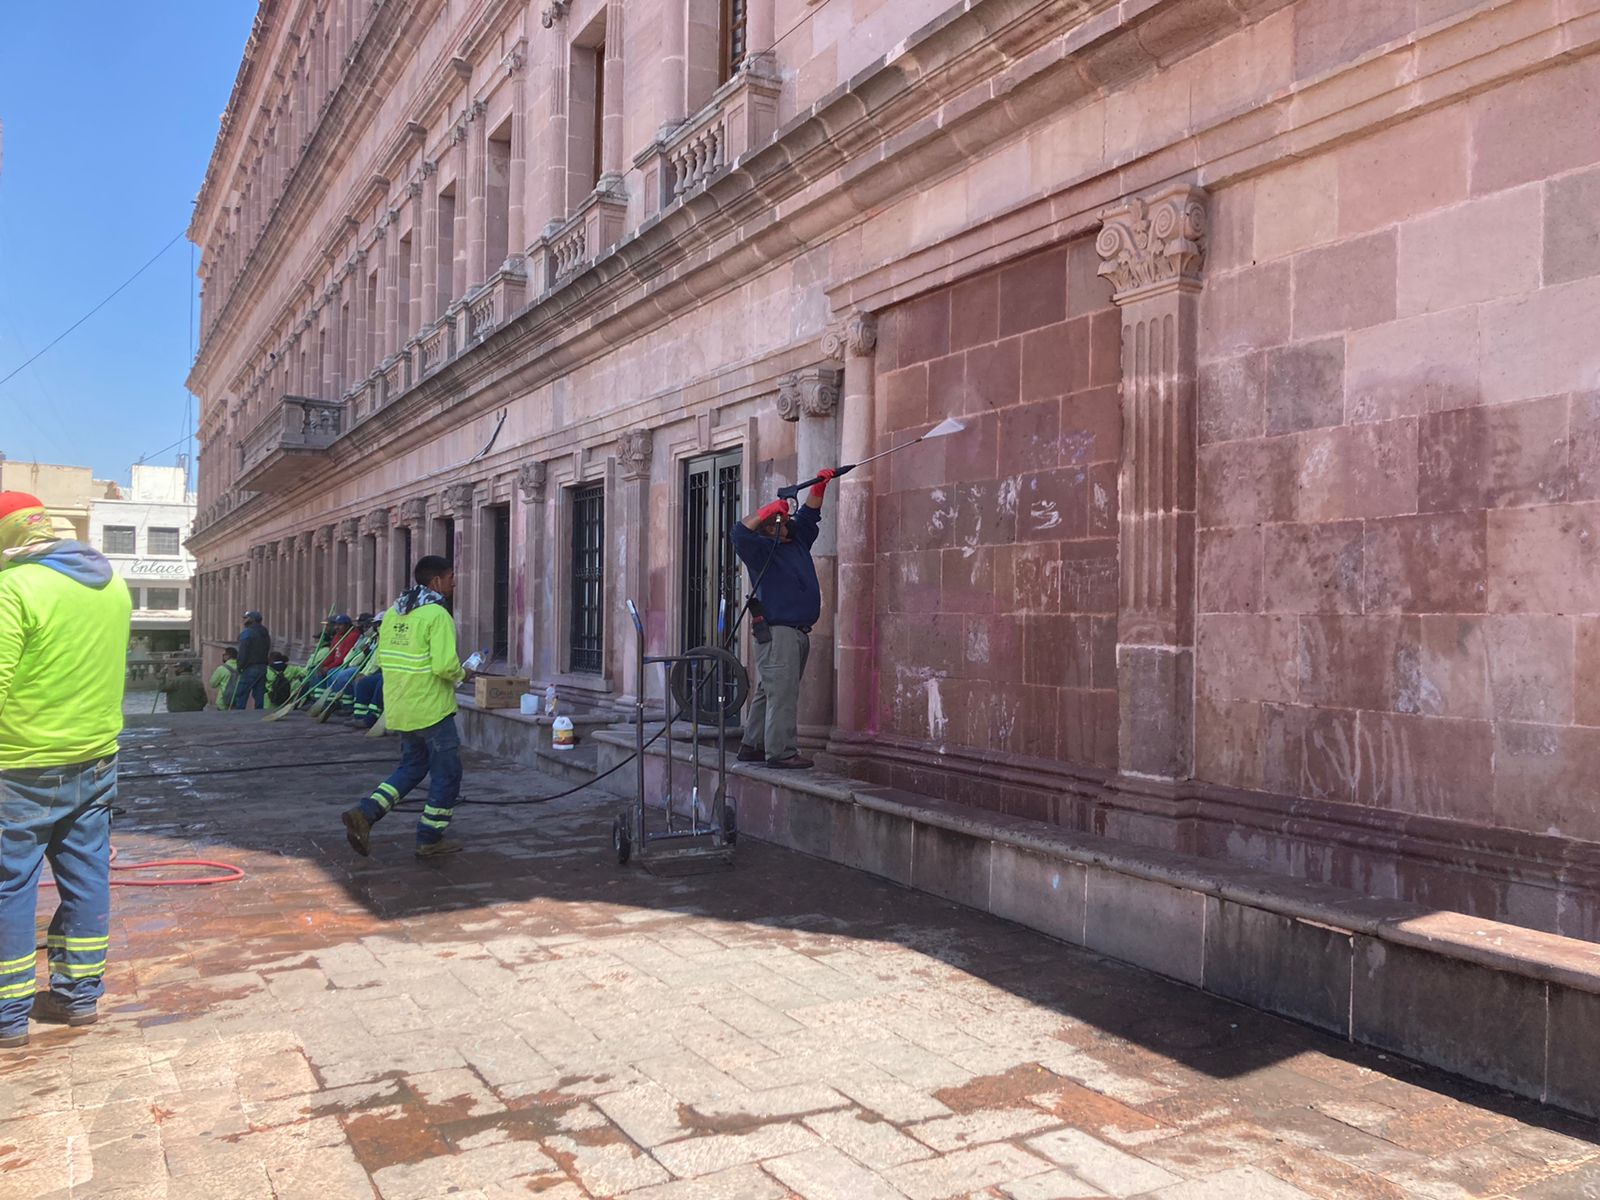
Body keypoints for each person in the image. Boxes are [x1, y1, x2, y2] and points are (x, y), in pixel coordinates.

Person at [0, 492, 132, 1048]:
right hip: (96, 759)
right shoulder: (111, 584)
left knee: (10, 885)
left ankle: (8, 1016)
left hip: (20, 765)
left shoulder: (15, 589)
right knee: (87, 876)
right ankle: (80, 996)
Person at [342, 557, 474, 859]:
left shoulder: (392, 614)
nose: (454, 583)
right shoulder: (436, 615)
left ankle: (366, 813)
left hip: (401, 707)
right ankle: (430, 837)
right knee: (447, 774)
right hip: (432, 710)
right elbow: (444, 666)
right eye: (451, 577)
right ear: (436, 581)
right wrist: (464, 673)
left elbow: (385, 661)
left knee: (413, 766)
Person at [730, 468, 835, 769]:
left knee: (771, 688)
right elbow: (739, 533)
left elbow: (810, 517)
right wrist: (766, 510)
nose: (785, 522)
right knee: (783, 691)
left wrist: (819, 487)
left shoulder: (797, 541)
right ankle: (782, 752)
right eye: (778, 520)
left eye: (785, 519)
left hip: (797, 630)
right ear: (766, 528)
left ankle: (753, 744)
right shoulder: (762, 550)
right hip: (779, 630)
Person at [234, 610, 272, 710]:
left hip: (250, 667)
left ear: (252, 619)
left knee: (241, 693)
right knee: (259, 694)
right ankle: (258, 715)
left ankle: (238, 715)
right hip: (262, 666)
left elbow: (243, 651)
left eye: (246, 618)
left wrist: (239, 666)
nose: (244, 620)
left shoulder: (248, 633)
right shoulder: (264, 632)